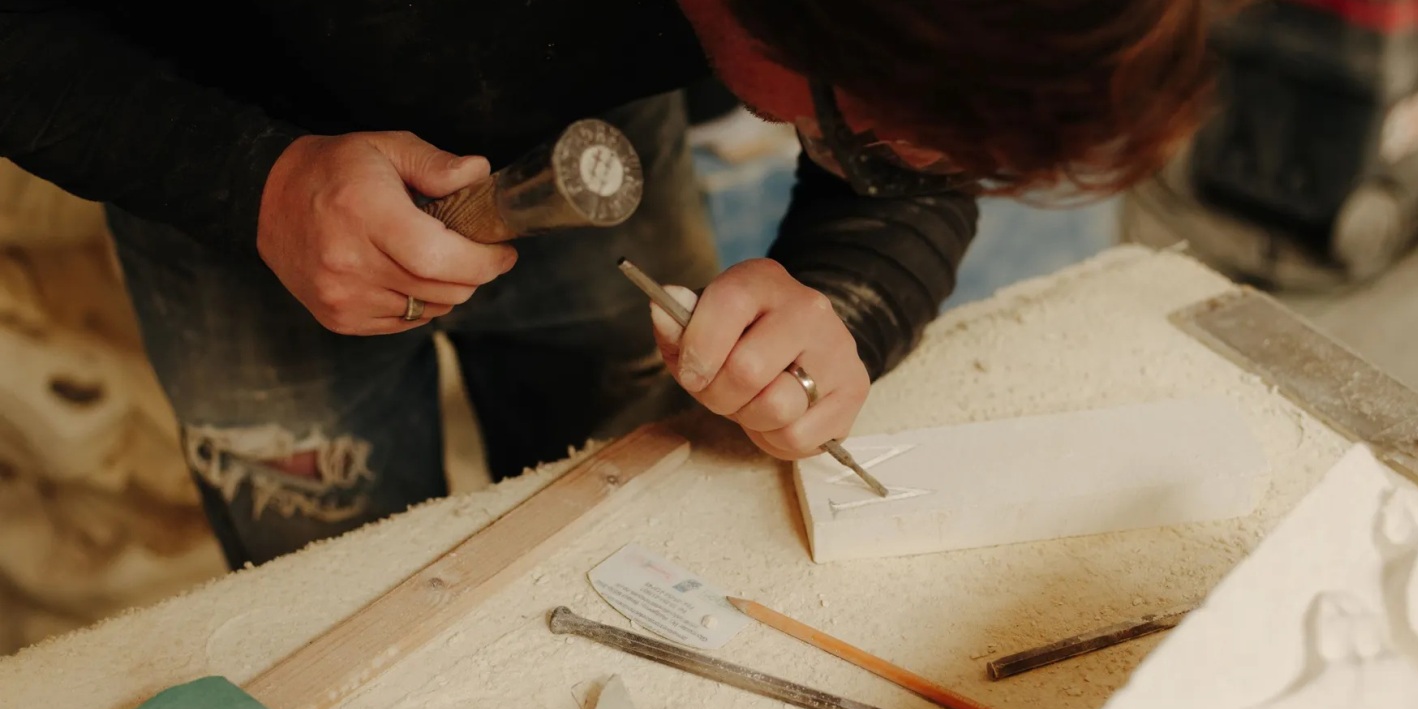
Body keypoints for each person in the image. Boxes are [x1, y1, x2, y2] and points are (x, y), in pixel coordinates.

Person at [0, 0, 1216, 568]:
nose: (902, 166)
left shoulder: (891, 37)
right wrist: (242, 184)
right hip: (221, 117)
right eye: (874, 141)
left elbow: (931, 119)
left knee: (650, 530)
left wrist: (845, 292)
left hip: (585, 145)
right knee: (327, 590)